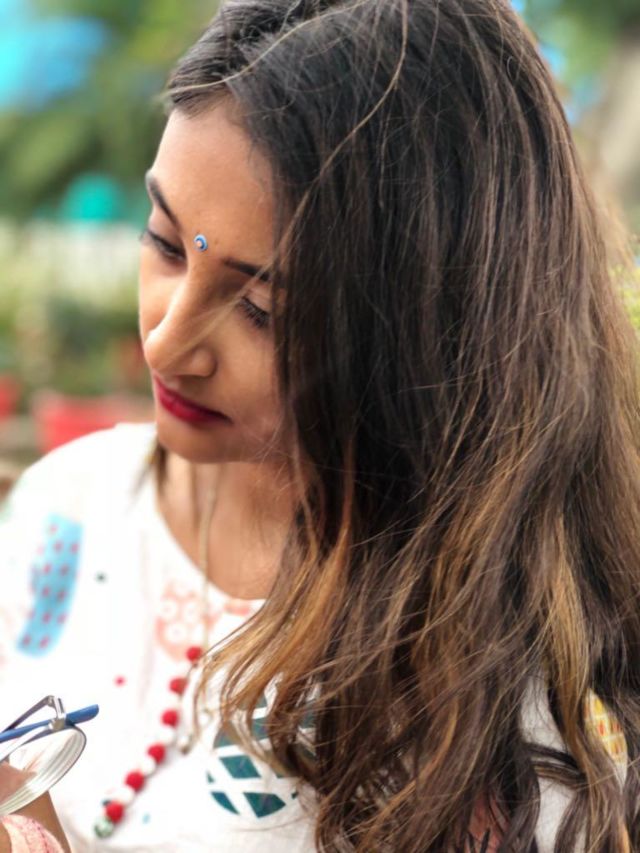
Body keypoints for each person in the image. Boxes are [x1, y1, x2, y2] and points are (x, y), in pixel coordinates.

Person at [1, 0, 639, 849]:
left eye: (262, 311)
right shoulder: (67, 510)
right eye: (165, 242)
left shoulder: (501, 720)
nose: (167, 342)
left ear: (425, 340)